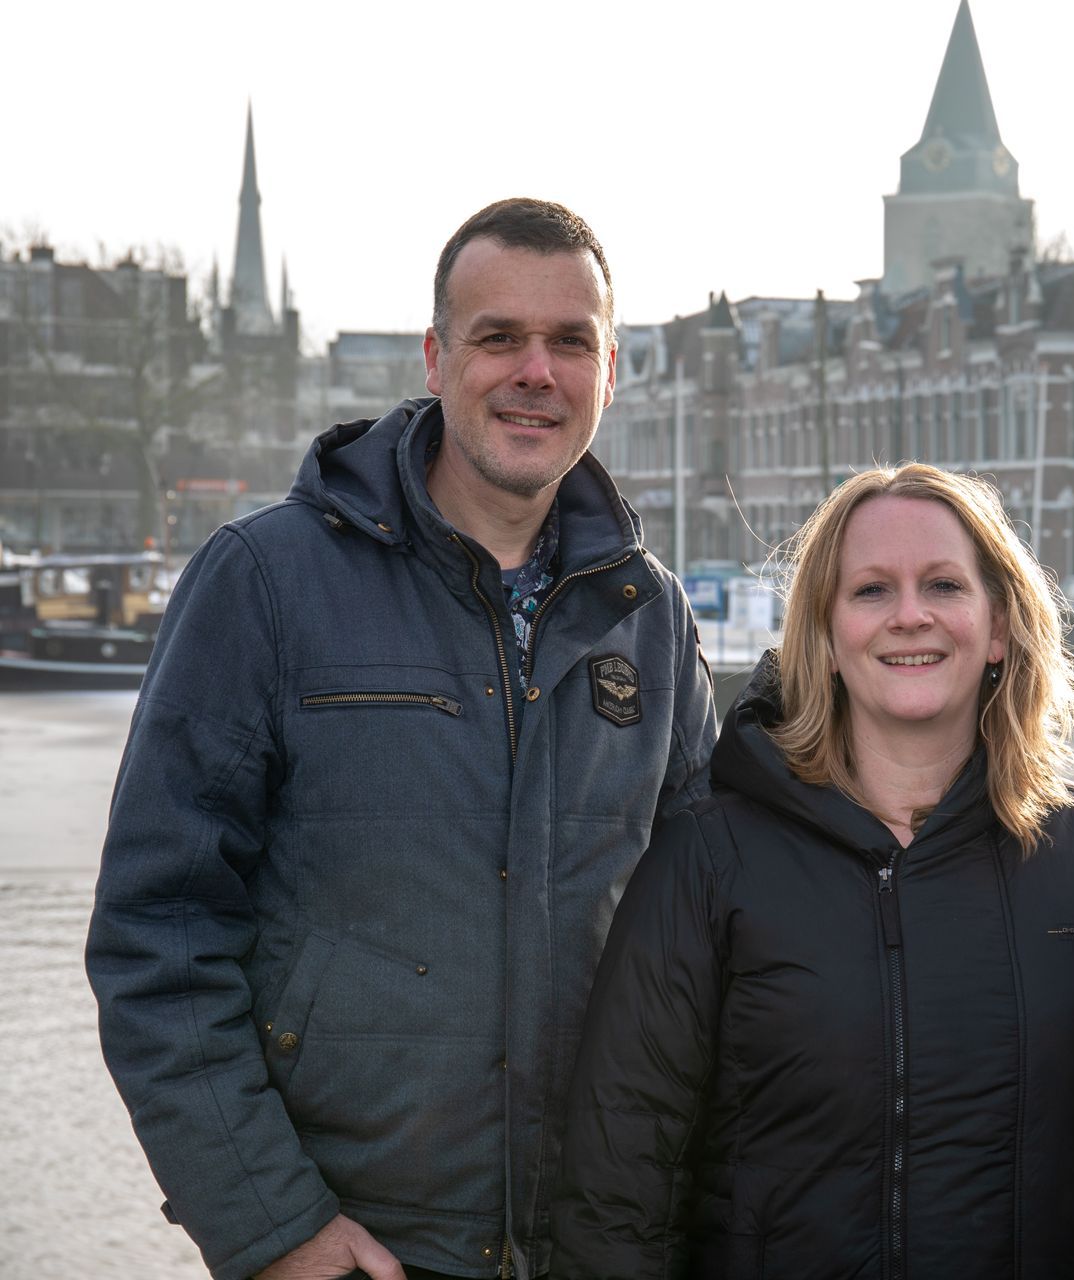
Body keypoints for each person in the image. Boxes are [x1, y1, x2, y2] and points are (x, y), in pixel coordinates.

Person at [86, 198, 717, 1280]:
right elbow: (161, 932)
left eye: (571, 341)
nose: (537, 370)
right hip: (359, 1248)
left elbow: (714, 941)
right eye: (498, 337)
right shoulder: (267, 581)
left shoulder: (650, 620)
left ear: (609, 369)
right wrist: (268, 1223)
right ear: (434, 356)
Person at [550, 464, 1074, 1278]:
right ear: (827, 637)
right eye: (871, 590)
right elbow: (619, 1184)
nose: (910, 616)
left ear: (998, 629)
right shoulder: (710, 862)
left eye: (944, 585)